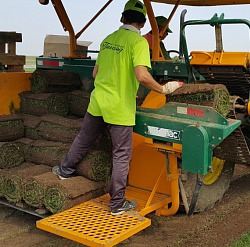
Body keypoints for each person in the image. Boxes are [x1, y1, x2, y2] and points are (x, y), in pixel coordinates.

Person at [52, 0, 182, 215]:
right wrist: (162, 89)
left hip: (98, 103)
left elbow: (95, 73)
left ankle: (64, 171)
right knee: (121, 155)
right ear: (142, 23)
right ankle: (117, 204)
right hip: (120, 108)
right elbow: (141, 75)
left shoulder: (108, 39)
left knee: (84, 138)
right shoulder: (138, 43)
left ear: (123, 18)